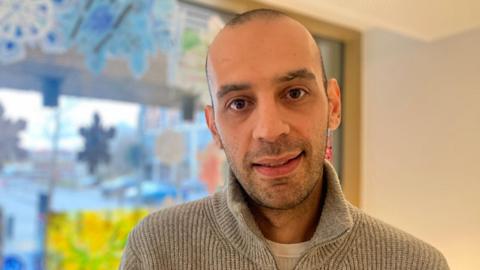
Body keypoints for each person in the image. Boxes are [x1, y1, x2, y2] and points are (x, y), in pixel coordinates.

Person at [120, 9, 449, 270]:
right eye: (239, 103)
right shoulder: (157, 249)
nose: (270, 129)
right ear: (214, 127)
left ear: (333, 105)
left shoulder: (416, 264)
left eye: (294, 93)